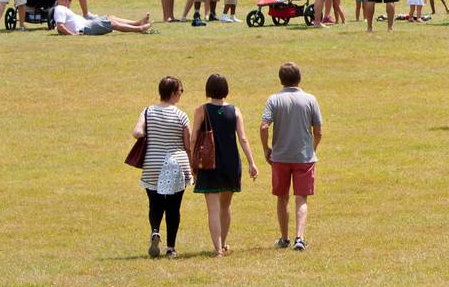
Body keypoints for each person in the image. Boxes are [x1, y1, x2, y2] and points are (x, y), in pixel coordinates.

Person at [193, 73, 259, 257]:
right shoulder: (235, 111)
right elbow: (243, 139)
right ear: (225, 90)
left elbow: (193, 139)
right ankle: (223, 244)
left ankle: (218, 249)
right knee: (225, 206)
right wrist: (252, 163)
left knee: (212, 208)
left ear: (208, 89)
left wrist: (193, 161)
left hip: (209, 164)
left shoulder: (202, 110)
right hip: (231, 163)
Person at [261, 62, 323, 252]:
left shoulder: (273, 99)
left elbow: (264, 126)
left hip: (280, 156)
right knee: (301, 198)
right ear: (299, 78)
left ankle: (284, 238)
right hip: (304, 156)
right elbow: (318, 130)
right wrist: (312, 149)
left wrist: (266, 149)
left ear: (281, 80)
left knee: (282, 198)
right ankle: (300, 238)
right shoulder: (310, 99)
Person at [133, 76, 193, 259]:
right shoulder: (181, 115)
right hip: (176, 163)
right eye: (181, 91)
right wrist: (192, 168)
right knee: (174, 207)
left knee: (155, 203)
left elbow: (137, 132)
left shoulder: (147, 111)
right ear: (174, 93)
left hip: (153, 164)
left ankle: (154, 230)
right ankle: (171, 248)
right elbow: (188, 144)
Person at [52, 0, 151, 34]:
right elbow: (60, 26)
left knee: (110, 17)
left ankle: (137, 23)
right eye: (70, 0)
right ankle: (139, 29)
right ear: (63, 0)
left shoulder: (62, 9)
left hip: (88, 24)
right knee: (111, 23)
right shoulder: (60, 9)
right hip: (85, 28)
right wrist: (73, 35)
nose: (71, 2)